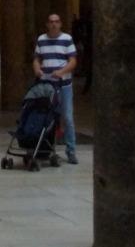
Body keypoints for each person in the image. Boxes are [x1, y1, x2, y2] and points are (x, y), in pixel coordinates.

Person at [32, 12, 79, 164]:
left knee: (67, 117)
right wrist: (37, 69)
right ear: (47, 24)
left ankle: (71, 150)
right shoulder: (41, 40)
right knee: (49, 117)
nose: (54, 24)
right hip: (47, 86)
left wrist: (61, 72)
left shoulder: (67, 39)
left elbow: (73, 61)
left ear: (60, 24)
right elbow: (37, 59)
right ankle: (48, 148)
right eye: (51, 21)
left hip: (64, 86)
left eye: (57, 21)